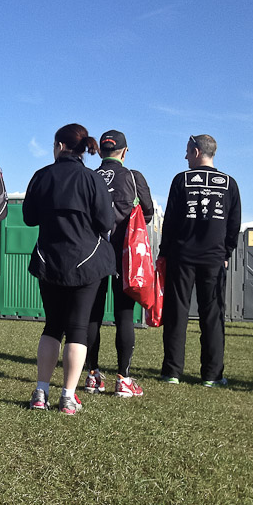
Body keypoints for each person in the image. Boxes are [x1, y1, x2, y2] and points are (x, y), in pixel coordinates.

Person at [23, 124, 115, 415]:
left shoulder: (42, 176)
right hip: (86, 262)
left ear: (60, 146)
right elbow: (106, 223)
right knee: (77, 329)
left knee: (52, 325)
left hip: (49, 259)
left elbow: (28, 218)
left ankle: (41, 392)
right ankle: (68, 397)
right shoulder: (92, 179)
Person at [159, 134, 241, 387]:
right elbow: (233, 224)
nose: (185, 157)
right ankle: (212, 375)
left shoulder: (181, 181)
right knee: (213, 315)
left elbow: (170, 221)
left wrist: (163, 252)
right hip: (214, 260)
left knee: (176, 313)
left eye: (187, 151)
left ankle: (172, 371)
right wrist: (226, 253)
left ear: (196, 151)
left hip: (181, 257)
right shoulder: (229, 183)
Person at [85, 130, 154, 398]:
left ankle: (93, 375)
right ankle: (123, 379)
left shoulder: (89, 177)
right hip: (125, 257)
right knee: (124, 315)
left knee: (93, 314)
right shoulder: (134, 178)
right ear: (125, 152)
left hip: (93, 255)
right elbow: (146, 213)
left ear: (100, 151)